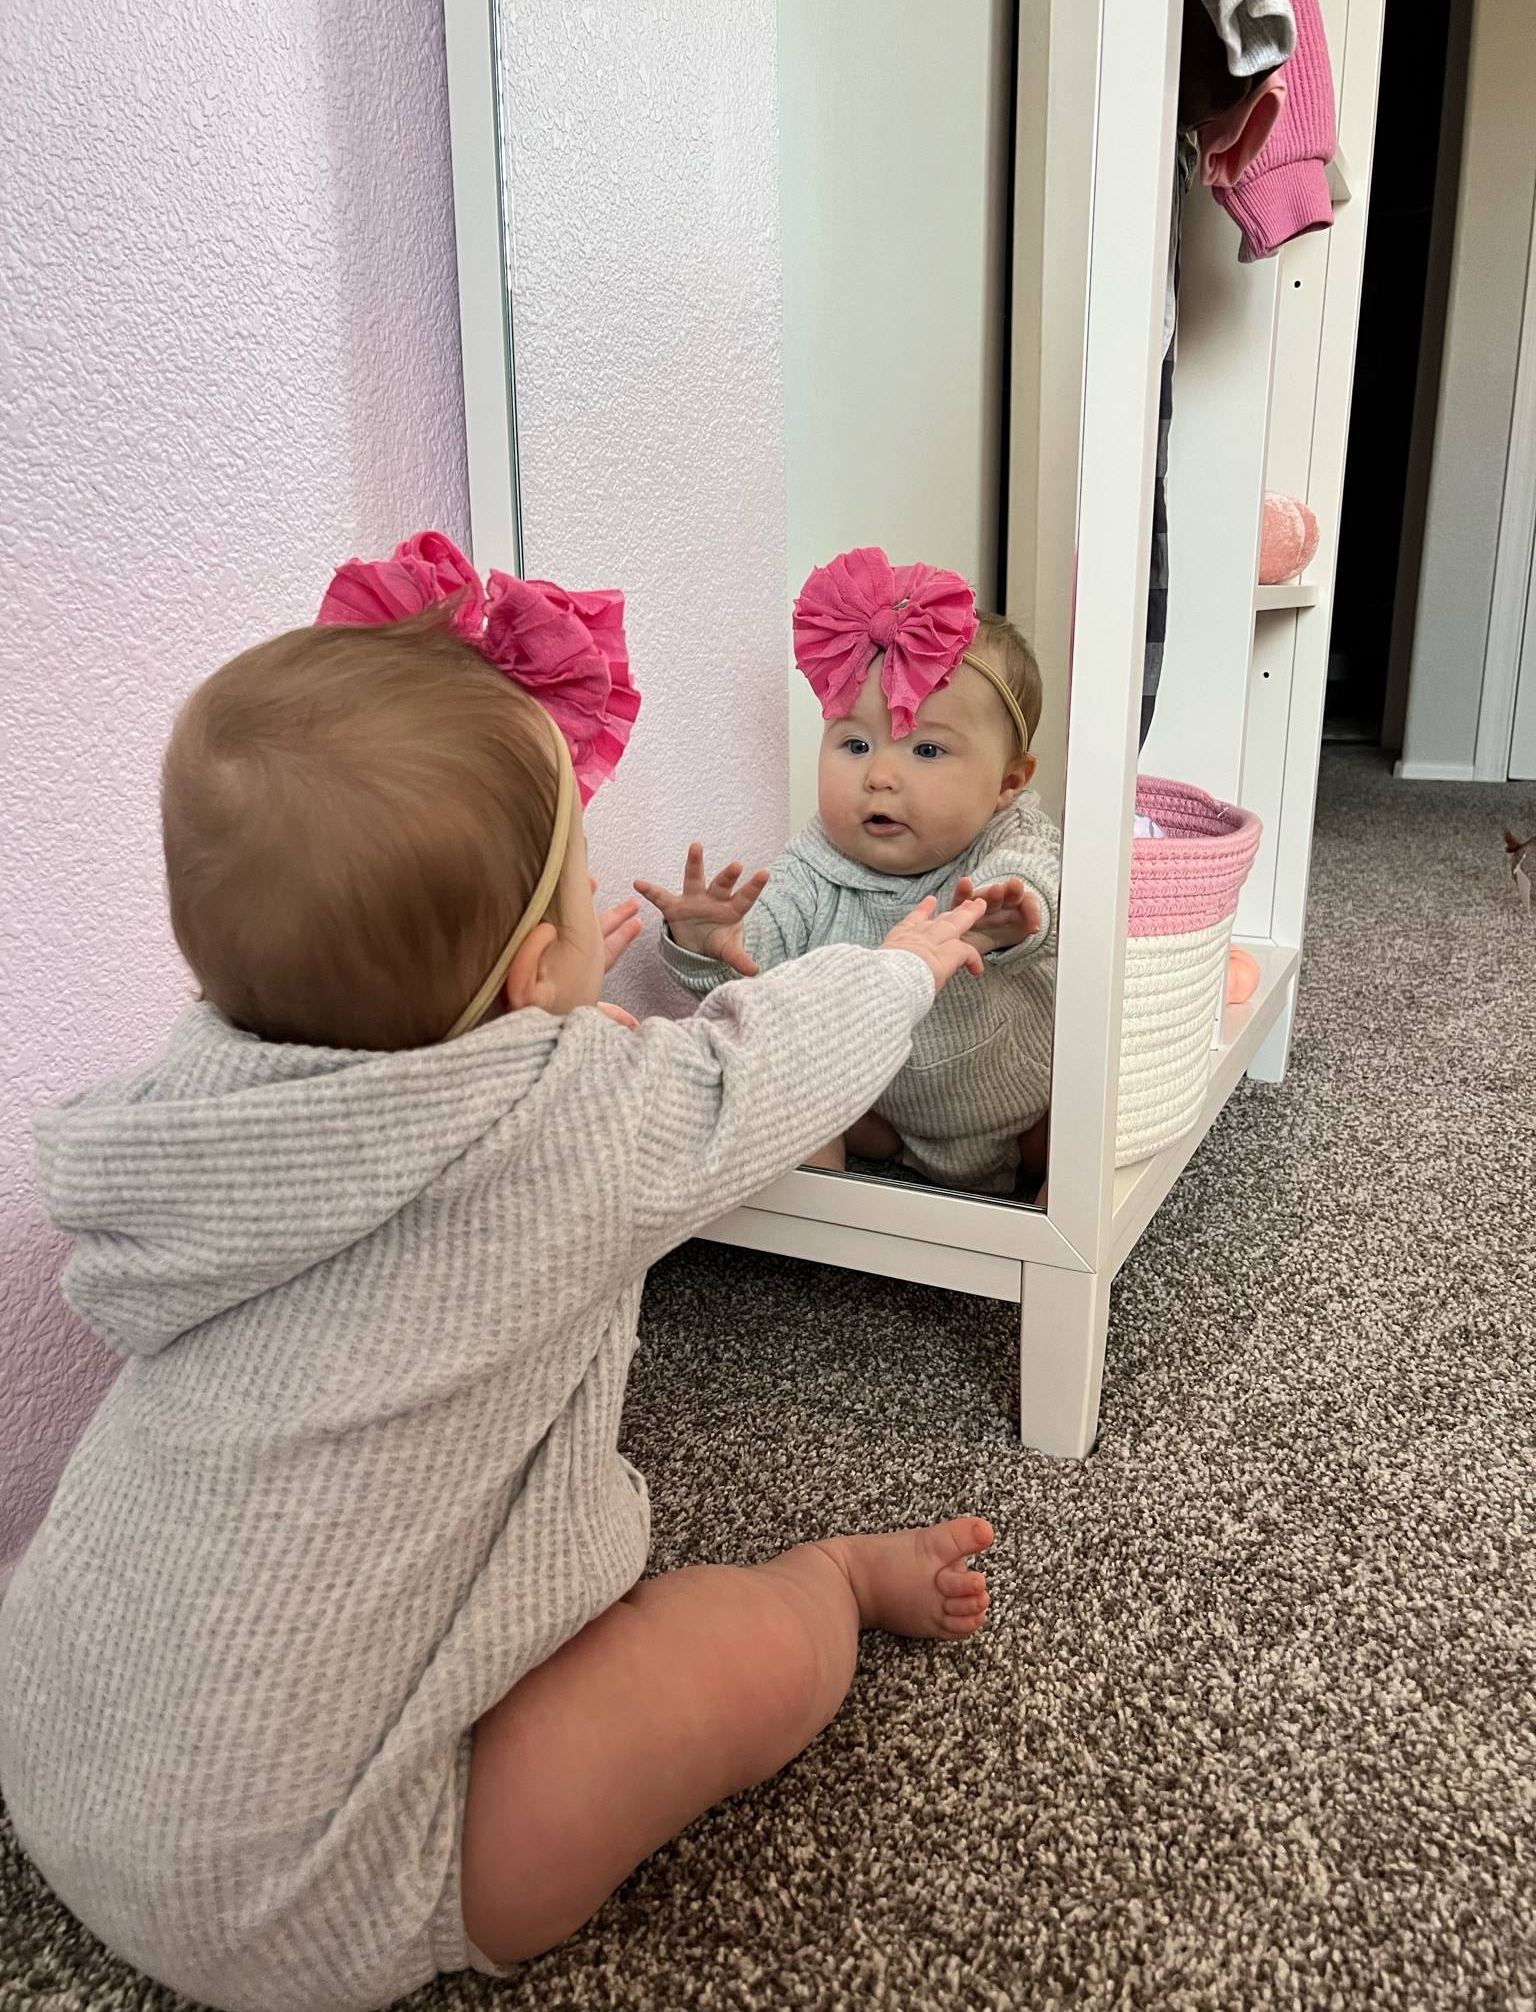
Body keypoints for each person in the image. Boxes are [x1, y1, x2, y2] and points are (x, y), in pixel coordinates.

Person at [0, 533, 994, 2012]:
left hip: (56, 1749)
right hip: (307, 1887)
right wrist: (901, 967)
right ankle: (836, 1586)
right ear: (533, 975)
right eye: (578, 877)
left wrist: (522, 1004)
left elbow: (416, 1090)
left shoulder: (195, 1118)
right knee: (729, 1662)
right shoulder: (574, 1126)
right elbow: (755, 1077)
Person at [639, 547, 1061, 1196]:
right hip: (888, 1114)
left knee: (1087, 1119)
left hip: (1020, 1102)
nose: (880, 776)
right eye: (855, 743)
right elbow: (763, 961)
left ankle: (1046, 1220)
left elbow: (1033, 878)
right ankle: (822, 1238)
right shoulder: (819, 861)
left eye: (926, 749)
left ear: (1007, 782)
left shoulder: (1007, 838)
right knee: (793, 1083)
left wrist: (1011, 914)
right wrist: (711, 943)